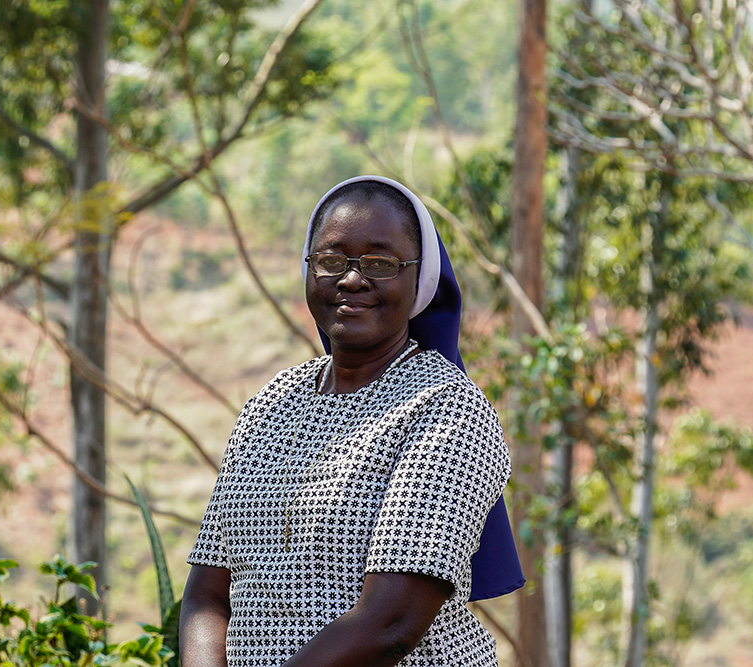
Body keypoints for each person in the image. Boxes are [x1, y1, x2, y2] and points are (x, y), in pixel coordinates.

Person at [179, 176, 523, 667]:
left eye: (381, 264)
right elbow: (208, 595)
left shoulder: (446, 409)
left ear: (419, 280)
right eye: (331, 261)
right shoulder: (270, 405)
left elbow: (392, 624)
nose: (351, 279)